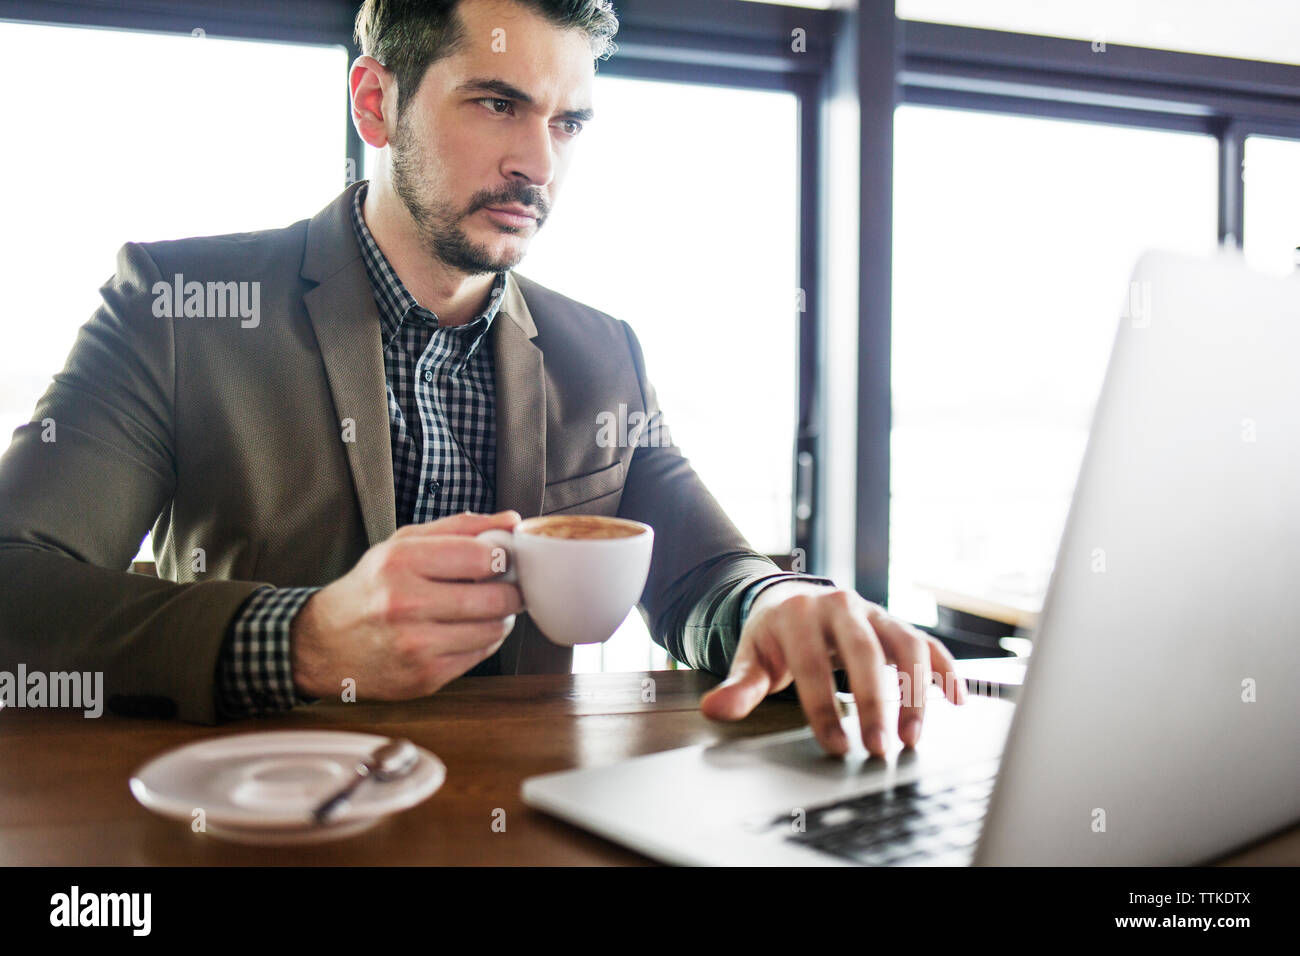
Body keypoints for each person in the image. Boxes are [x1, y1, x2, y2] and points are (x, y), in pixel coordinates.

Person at [0, 0, 964, 757]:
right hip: (259, 827)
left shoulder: (602, 353)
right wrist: (303, 638)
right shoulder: (177, 304)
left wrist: (778, 606)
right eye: (498, 102)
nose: (537, 161)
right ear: (375, 102)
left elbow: (707, 575)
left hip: (531, 826)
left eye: (569, 121)